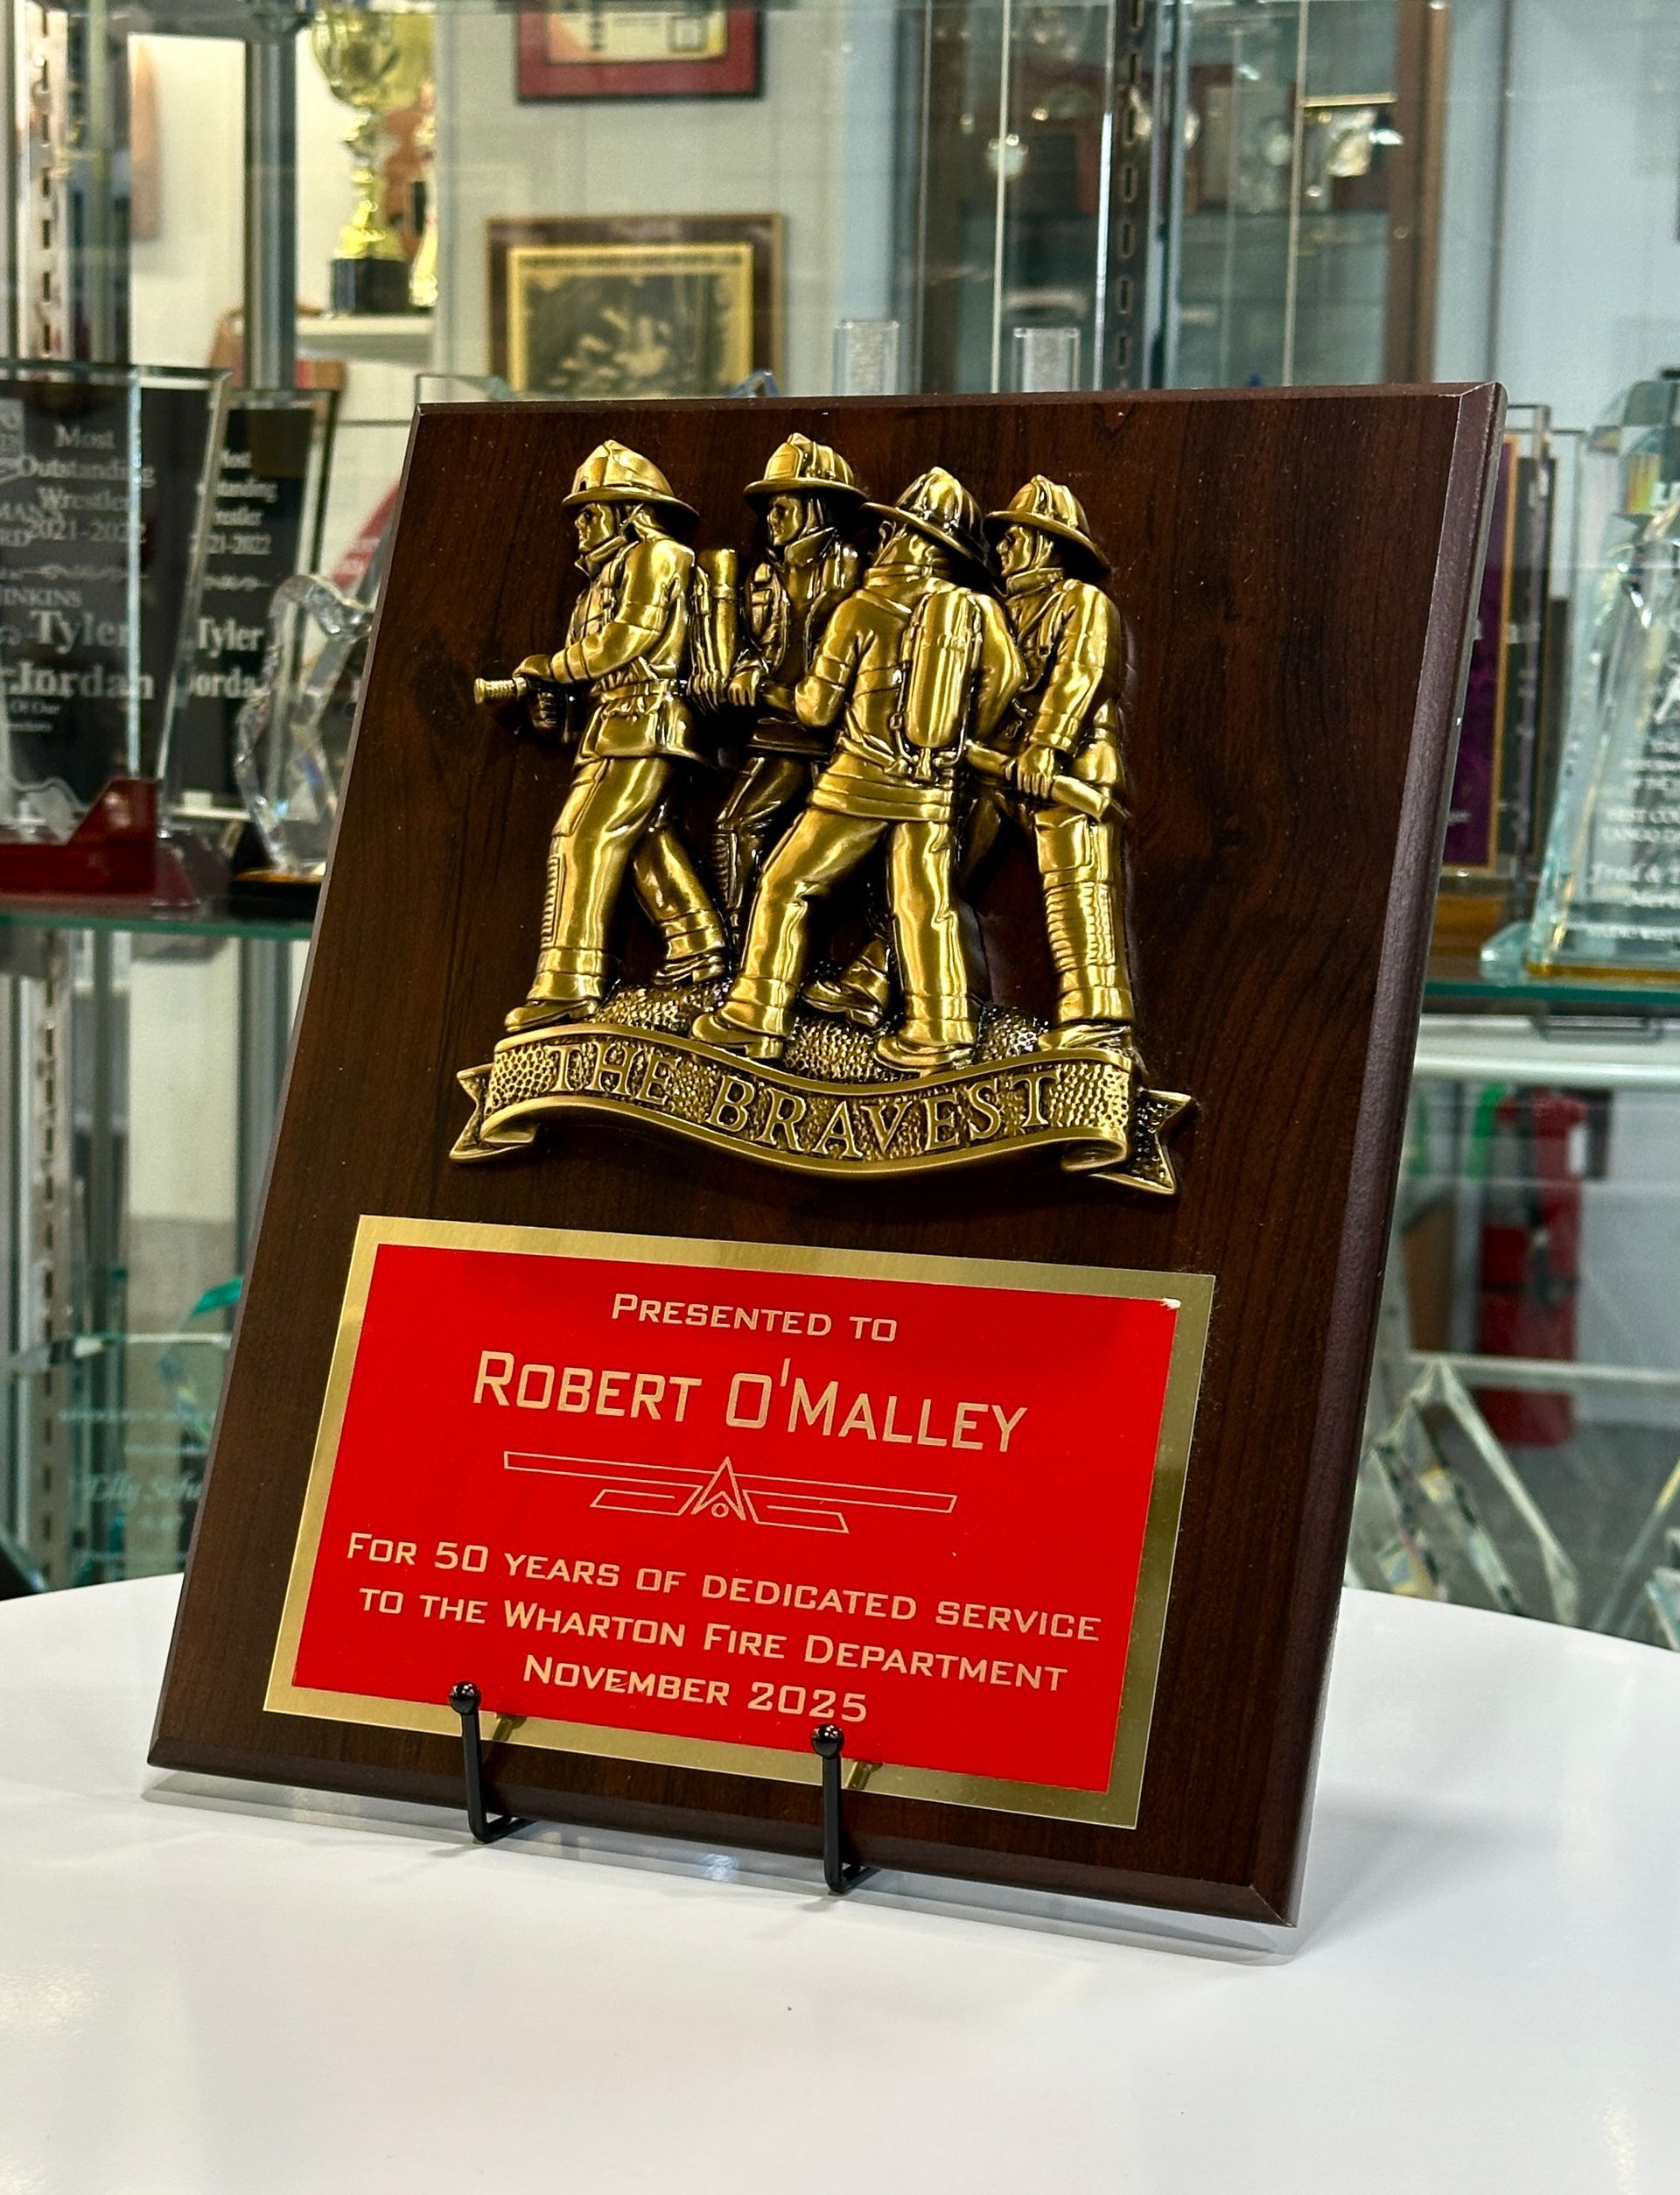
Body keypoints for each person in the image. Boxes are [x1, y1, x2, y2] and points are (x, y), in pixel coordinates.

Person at [691, 467, 1023, 1075]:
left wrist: (765, 692)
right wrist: (952, 739)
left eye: (895, 530)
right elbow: (1005, 682)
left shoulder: (863, 608)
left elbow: (816, 709)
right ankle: (941, 1031)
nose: (884, 540)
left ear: (911, 541)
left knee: (785, 884)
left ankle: (755, 1016)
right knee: (926, 906)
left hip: (857, 783)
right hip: (931, 787)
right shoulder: (976, 609)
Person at [498, 439, 727, 1034]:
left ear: (630, 512)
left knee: (583, 837)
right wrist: (544, 693)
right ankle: (699, 946)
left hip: (646, 723)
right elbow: (589, 671)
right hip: (614, 726)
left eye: (592, 512)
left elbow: (628, 640)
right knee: (646, 838)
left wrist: (553, 666)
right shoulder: (595, 584)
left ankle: (570, 984)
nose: (580, 527)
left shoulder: (658, 557)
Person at [976, 474, 1137, 1058]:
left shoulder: (1082, 602)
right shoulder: (998, 611)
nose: (1003, 550)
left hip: (1074, 776)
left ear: (1046, 544)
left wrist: (1045, 748)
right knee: (934, 862)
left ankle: (1097, 1026)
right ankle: (900, 986)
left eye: (1015, 538)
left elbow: (1081, 677)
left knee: (1078, 890)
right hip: (998, 773)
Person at [710, 436, 864, 937]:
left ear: (816, 507)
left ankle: (860, 965)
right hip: (779, 729)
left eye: (783, 506)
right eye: (769, 509)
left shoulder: (857, 570)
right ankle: (739, 948)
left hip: (841, 739)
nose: (771, 519)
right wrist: (747, 671)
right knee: (734, 828)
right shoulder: (762, 576)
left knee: (853, 861)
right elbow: (749, 646)